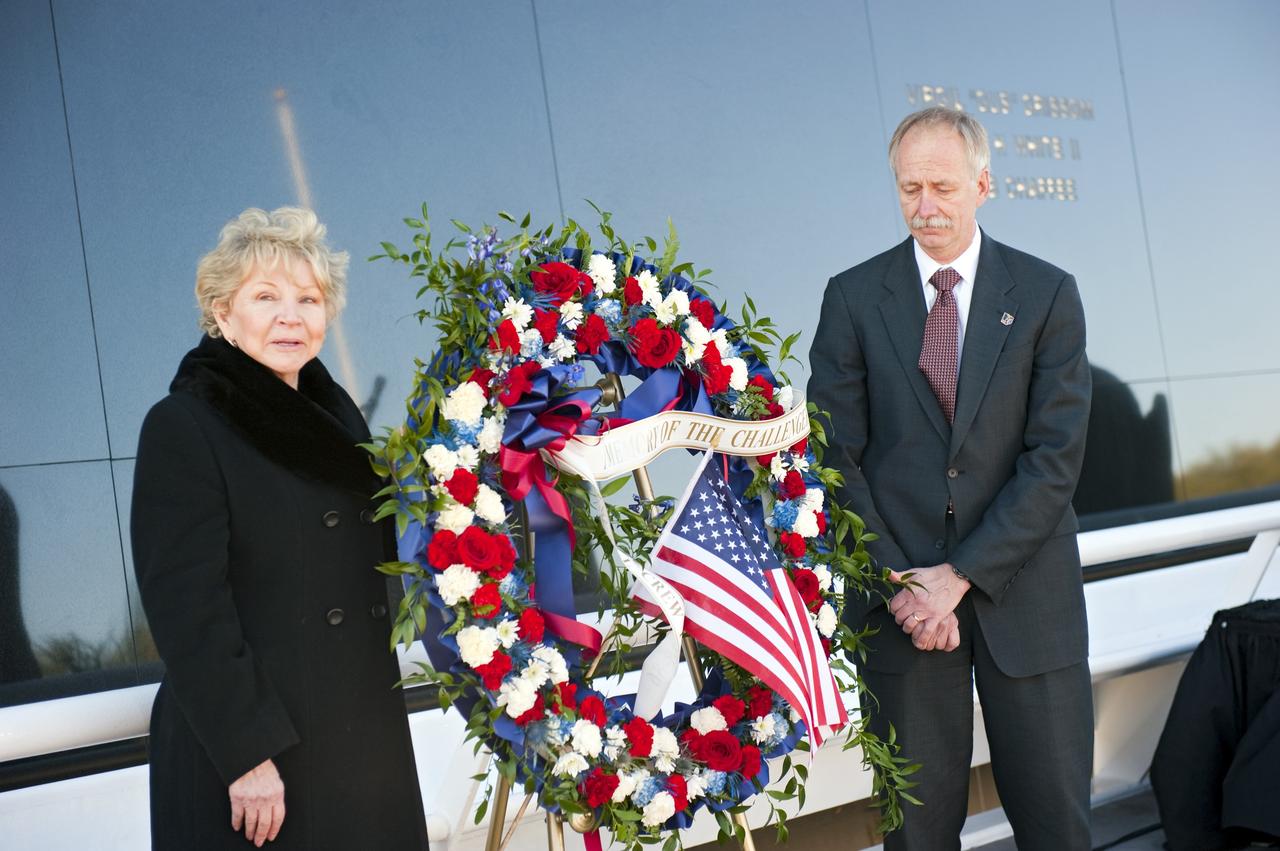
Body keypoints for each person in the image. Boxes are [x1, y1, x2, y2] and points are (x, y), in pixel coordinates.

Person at [808, 107, 1093, 850]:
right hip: (902, 614)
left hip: (1028, 603)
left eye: (942, 185)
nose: (925, 207)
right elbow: (834, 458)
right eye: (910, 189)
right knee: (917, 835)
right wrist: (904, 584)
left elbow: (1053, 460)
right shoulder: (851, 298)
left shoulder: (1046, 294)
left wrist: (959, 575)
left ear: (983, 184)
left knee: (1057, 823)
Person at [131, 207, 429, 850]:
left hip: (355, 741)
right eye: (265, 296)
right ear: (220, 313)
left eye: (308, 298)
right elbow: (187, 610)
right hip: (256, 761)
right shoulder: (186, 424)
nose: (290, 315)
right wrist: (247, 756)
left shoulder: (339, 426)